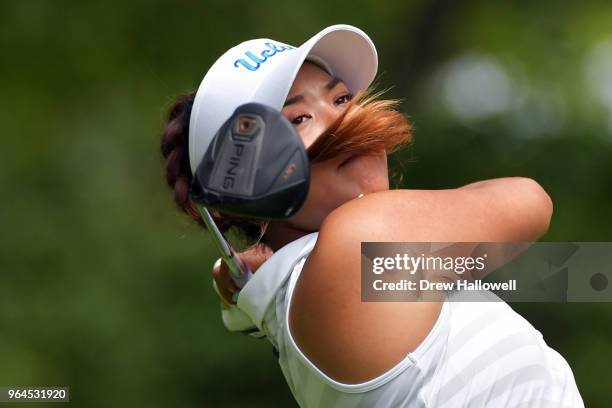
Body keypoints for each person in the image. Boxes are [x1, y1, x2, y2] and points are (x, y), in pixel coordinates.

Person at [160, 24, 584, 407]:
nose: (346, 117)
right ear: (241, 187)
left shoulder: (313, 286)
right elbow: (530, 201)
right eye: (298, 117)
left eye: (342, 97)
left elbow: (577, 274)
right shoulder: (359, 245)